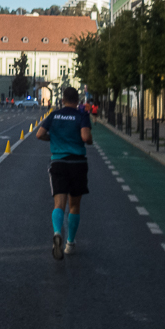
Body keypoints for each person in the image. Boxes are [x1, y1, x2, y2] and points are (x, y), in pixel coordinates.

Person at [35, 86, 93, 259]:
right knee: (74, 205)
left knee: (58, 203)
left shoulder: (54, 115)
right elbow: (85, 137)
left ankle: (57, 232)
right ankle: (70, 243)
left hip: (58, 162)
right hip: (77, 163)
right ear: (77, 101)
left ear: (62, 100)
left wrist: (52, 138)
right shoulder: (81, 115)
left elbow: (39, 134)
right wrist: (89, 139)